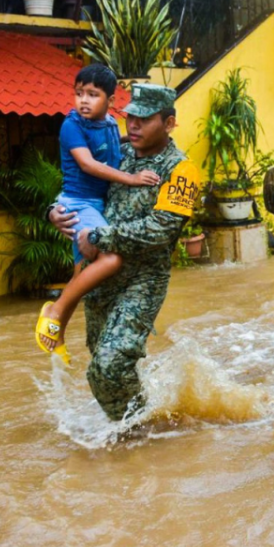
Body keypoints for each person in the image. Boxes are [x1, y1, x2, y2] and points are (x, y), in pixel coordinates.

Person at [47, 83, 201, 421]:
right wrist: (54, 212)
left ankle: (139, 435)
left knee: (110, 364)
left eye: (144, 119)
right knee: (99, 364)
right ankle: (133, 431)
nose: (133, 125)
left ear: (169, 123)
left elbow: (161, 230)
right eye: (130, 117)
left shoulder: (182, 171)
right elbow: (78, 184)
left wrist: (100, 237)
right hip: (101, 279)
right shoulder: (116, 151)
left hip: (142, 281)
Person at [35, 64, 163, 362]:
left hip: (98, 204)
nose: (83, 100)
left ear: (110, 101)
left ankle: (58, 334)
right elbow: (88, 165)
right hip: (80, 203)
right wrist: (132, 179)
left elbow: (115, 153)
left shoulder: (109, 125)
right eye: (79, 93)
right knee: (111, 258)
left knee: (81, 274)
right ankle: (54, 310)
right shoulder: (72, 126)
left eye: (92, 95)